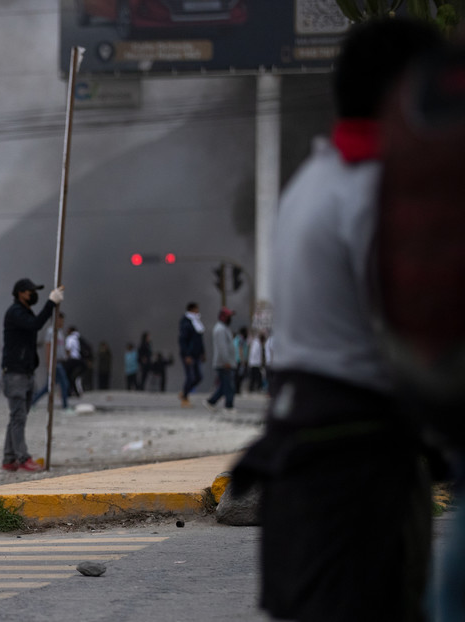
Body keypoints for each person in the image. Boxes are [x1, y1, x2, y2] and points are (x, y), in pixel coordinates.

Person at [229, 19, 445, 622]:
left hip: (309, 457)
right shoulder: (374, 191)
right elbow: (420, 341)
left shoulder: (316, 180)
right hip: (357, 467)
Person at [1, 277, 64, 472]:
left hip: (25, 371)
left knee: (18, 416)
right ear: (20, 292)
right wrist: (51, 303)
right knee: (18, 416)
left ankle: (9, 458)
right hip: (15, 373)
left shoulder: (24, 312)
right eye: (30, 291)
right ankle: (22, 458)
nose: (33, 294)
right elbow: (36, 324)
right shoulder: (16, 312)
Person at [201, 307, 237, 412]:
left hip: (227, 362)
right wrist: (226, 361)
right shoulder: (220, 329)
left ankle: (210, 402)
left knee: (224, 386)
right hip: (224, 363)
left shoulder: (224, 328)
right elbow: (222, 347)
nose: (231, 319)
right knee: (229, 386)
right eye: (229, 316)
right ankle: (229, 407)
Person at [177, 302, 205, 408]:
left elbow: (199, 340)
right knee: (190, 377)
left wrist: (202, 352)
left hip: (196, 354)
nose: (198, 311)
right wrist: (187, 355)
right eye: (196, 309)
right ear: (192, 309)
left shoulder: (196, 322)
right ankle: (185, 399)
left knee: (198, 377)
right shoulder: (185, 322)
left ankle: (184, 392)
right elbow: (183, 340)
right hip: (188, 355)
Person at [63, 325, 85, 396]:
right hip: (79, 360)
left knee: (68, 376)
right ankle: (75, 391)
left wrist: (66, 358)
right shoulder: (78, 338)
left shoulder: (70, 338)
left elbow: (68, 350)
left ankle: (70, 391)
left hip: (72, 360)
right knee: (74, 377)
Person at [233, 326, 249, 394]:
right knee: (239, 375)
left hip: (236, 359)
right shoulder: (241, 339)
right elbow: (240, 349)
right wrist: (243, 360)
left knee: (237, 375)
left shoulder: (236, 338)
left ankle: (236, 389)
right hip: (239, 360)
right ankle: (237, 389)